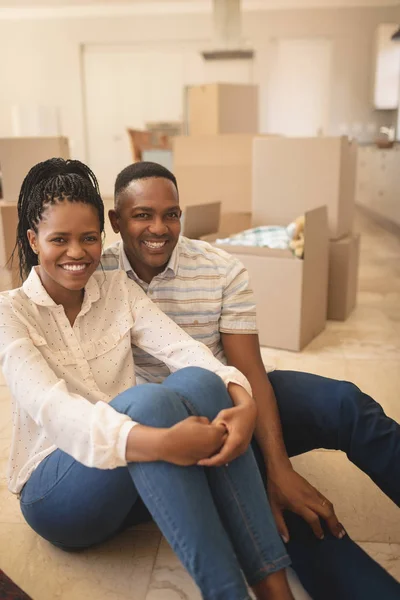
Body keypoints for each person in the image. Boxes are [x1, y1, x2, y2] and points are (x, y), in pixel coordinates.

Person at [0, 158, 299, 600]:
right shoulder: (10, 313)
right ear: (33, 239)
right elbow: (55, 412)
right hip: (58, 494)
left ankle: (274, 587)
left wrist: (243, 399)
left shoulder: (116, 289)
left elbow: (183, 348)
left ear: (103, 237)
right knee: (151, 404)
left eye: (88, 238)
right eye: (59, 240)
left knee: (199, 382)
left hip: (128, 481)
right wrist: (160, 443)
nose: (77, 253)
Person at [103, 161, 400, 600]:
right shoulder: (95, 274)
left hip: (234, 397)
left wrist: (280, 465)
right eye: (143, 214)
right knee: (293, 517)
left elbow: (250, 371)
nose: (160, 227)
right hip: (161, 426)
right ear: (116, 220)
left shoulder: (220, 269)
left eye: (172, 214)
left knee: (344, 403)